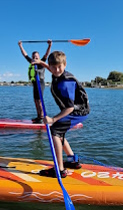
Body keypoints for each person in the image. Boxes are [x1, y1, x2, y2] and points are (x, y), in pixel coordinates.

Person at [32, 50, 90, 178]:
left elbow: (69, 108)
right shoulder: (57, 73)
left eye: (59, 67)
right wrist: (40, 62)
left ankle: (60, 169)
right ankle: (72, 160)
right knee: (59, 131)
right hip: (77, 110)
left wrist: (53, 119)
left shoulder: (65, 83)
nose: (56, 70)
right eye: (53, 67)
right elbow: (51, 68)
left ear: (65, 65)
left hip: (77, 112)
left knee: (55, 131)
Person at [18, 40, 52, 123]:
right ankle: (38, 116)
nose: (35, 58)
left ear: (39, 57)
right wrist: (20, 45)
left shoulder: (41, 62)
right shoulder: (31, 62)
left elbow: (47, 54)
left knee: (39, 100)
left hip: (40, 83)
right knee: (35, 100)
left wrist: (49, 45)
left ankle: (42, 117)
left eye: (36, 57)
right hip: (35, 84)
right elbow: (25, 54)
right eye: (33, 57)